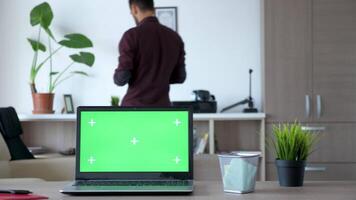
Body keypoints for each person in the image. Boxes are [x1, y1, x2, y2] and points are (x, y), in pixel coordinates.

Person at [114, 0, 186, 107]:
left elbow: (122, 78)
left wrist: (117, 77)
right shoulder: (174, 37)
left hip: (134, 109)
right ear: (153, 9)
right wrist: (160, 76)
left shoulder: (131, 36)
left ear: (134, 8)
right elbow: (180, 77)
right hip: (163, 109)